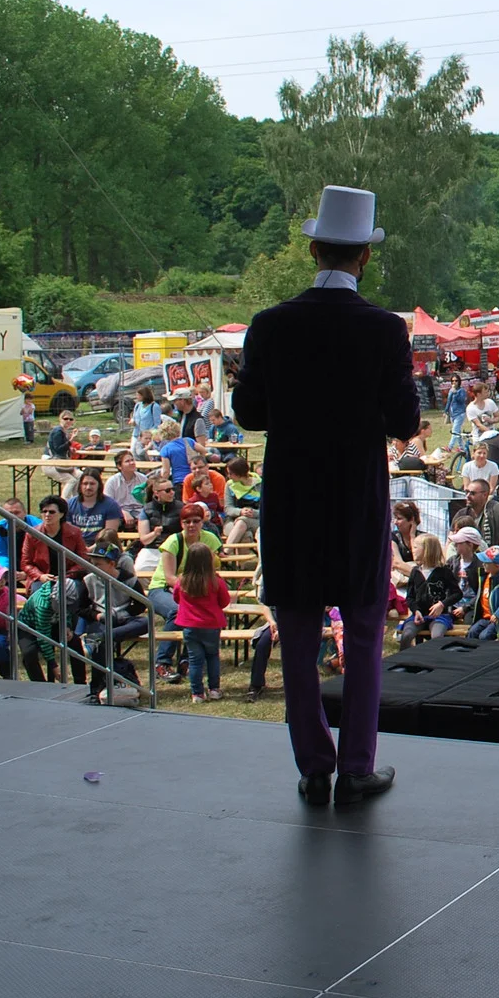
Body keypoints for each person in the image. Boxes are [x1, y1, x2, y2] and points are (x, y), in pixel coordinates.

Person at [231, 184, 420, 806]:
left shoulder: (270, 325)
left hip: (290, 501)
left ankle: (313, 765)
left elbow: (250, 414)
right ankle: (357, 765)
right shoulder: (385, 331)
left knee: (300, 638)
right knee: (364, 637)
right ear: (365, 257)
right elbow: (402, 422)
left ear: (313, 249)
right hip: (356, 503)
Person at [173, 541, 231, 703]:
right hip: (212, 626)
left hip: (190, 626)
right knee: (212, 656)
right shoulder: (216, 581)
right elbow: (224, 602)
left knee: (195, 660)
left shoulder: (182, 581)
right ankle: (214, 689)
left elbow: (176, 598)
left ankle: (197, 693)